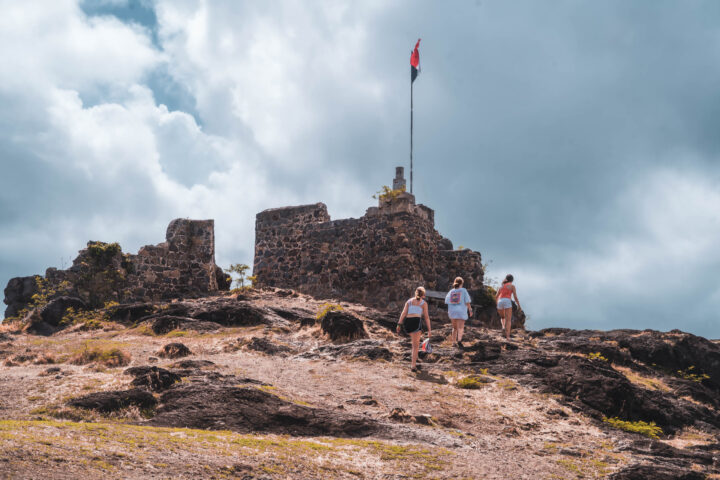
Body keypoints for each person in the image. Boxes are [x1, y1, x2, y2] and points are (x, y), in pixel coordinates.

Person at [396, 286, 432, 372]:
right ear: (423, 295)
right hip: (416, 322)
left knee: (414, 344)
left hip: (407, 323)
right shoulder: (423, 303)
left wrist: (399, 324)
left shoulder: (409, 301)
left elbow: (404, 313)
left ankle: (415, 360)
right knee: (415, 346)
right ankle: (413, 365)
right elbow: (426, 317)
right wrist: (429, 330)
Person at [445, 277, 472, 349]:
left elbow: (447, 301)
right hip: (461, 311)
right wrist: (470, 310)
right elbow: (467, 301)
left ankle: (453, 342)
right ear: (461, 283)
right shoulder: (463, 290)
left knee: (454, 328)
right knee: (460, 327)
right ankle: (459, 341)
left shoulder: (451, 291)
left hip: (452, 311)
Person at [496, 274, 521, 339]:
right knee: (508, 320)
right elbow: (515, 297)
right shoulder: (512, 286)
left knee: (502, 317)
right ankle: (507, 336)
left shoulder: (501, 287)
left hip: (500, 301)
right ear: (512, 280)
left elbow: (496, 296)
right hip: (507, 301)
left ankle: (503, 327)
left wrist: (497, 304)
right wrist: (519, 305)